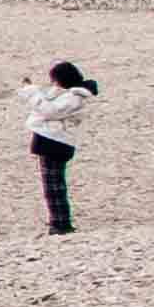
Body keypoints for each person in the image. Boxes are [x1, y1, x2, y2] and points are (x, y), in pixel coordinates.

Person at [29, 61, 99, 235]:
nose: (53, 83)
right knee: (53, 185)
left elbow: (50, 111)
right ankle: (58, 221)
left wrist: (33, 95)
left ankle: (61, 224)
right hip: (51, 141)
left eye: (54, 80)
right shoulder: (68, 94)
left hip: (54, 143)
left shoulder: (73, 97)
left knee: (54, 187)